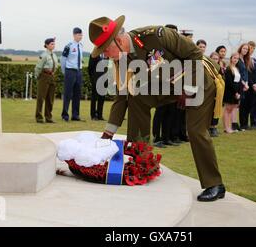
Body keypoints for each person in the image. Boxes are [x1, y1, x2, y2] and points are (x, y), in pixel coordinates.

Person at [92, 15, 226, 202]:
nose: (105, 55)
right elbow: (122, 95)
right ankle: (142, 162)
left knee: (195, 130)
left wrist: (189, 89)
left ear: (119, 40)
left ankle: (215, 184)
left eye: (106, 50)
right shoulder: (120, 59)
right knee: (136, 96)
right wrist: (109, 132)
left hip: (200, 80)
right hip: (169, 85)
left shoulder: (156, 35)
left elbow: (194, 54)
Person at [152, 24, 180, 147]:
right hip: (161, 83)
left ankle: (166, 137)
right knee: (160, 111)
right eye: (170, 32)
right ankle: (156, 137)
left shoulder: (177, 49)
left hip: (174, 84)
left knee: (171, 112)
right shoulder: (160, 48)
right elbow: (153, 64)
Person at [61, 27, 84, 122]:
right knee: (68, 94)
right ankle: (65, 115)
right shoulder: (69, 46)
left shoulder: (81, 46)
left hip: (79, 71)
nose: (81, 36)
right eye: (79, 35)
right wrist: (64, 71)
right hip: (70, 71)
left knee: (77, 94)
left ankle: (75, 115)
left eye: (81, 35)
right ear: (74, 35)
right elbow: (63, 59)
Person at [34, 38, 59, 123]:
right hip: (44, 76)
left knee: (50, 98)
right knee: (41, 97)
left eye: (54, 44)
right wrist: (37, 76)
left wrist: (53, 73)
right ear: (47, 45)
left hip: (52, 76)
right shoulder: (44, 55)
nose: (53, 45)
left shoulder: (54, 55)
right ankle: (39, 117)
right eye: (51, 44)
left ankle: (48, 117)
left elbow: (56, 66)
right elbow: (38, 67)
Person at [223, 52, 241, 134]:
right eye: (234, 58)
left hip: (236, 92)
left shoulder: (236, 69)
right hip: (230, 92)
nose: (236, 60)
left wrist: (239, 92)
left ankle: (229, 127)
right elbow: (229, 83)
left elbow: (239, 82)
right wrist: (235, 92)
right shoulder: (228, 69)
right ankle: (226, 128)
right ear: (231, 58)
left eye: (237, 58)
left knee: (231, 110)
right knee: (227, 110)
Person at [235, 43, 251, 131]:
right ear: (240, 48)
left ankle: (244, 123)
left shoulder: (245, 59)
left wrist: (247, 83)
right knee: (238, 105)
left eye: (247, 49)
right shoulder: (237, 58)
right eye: (244, 48)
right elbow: (237, 73)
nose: (245, 50)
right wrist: (243, 84)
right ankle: (240, 124)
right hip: (239, 84)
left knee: (244, 105)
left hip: (245, 84)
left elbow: (246, 73)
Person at [88, 53, 108, 121]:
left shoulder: (106, 54)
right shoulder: (94, 54)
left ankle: (100, 115)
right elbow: (90, 68)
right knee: (94, 98)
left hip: (104, 79)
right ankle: (93, 115)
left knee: (102, 98)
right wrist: (92, 78)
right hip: (96, 79)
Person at [245, 41, 256, 130]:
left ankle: (249, 123)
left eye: (253, 48)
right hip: (247, 85)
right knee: (245, 105)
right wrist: (252, 84)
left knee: (251, 105)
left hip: (253, 85)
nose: (252, 50)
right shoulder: (245, 59)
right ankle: (244, 123)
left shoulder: (253, 59)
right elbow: (247, 74)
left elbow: (254, 73)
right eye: (250, 48)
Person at [209, 52, 222, 137]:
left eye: (216, 59)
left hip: (218, 93)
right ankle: (209, 127)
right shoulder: (207, 68)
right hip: (209, 92)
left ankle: (213, 126)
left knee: (216, 109)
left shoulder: (219, 69)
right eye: (213, 58)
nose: (215, 60)